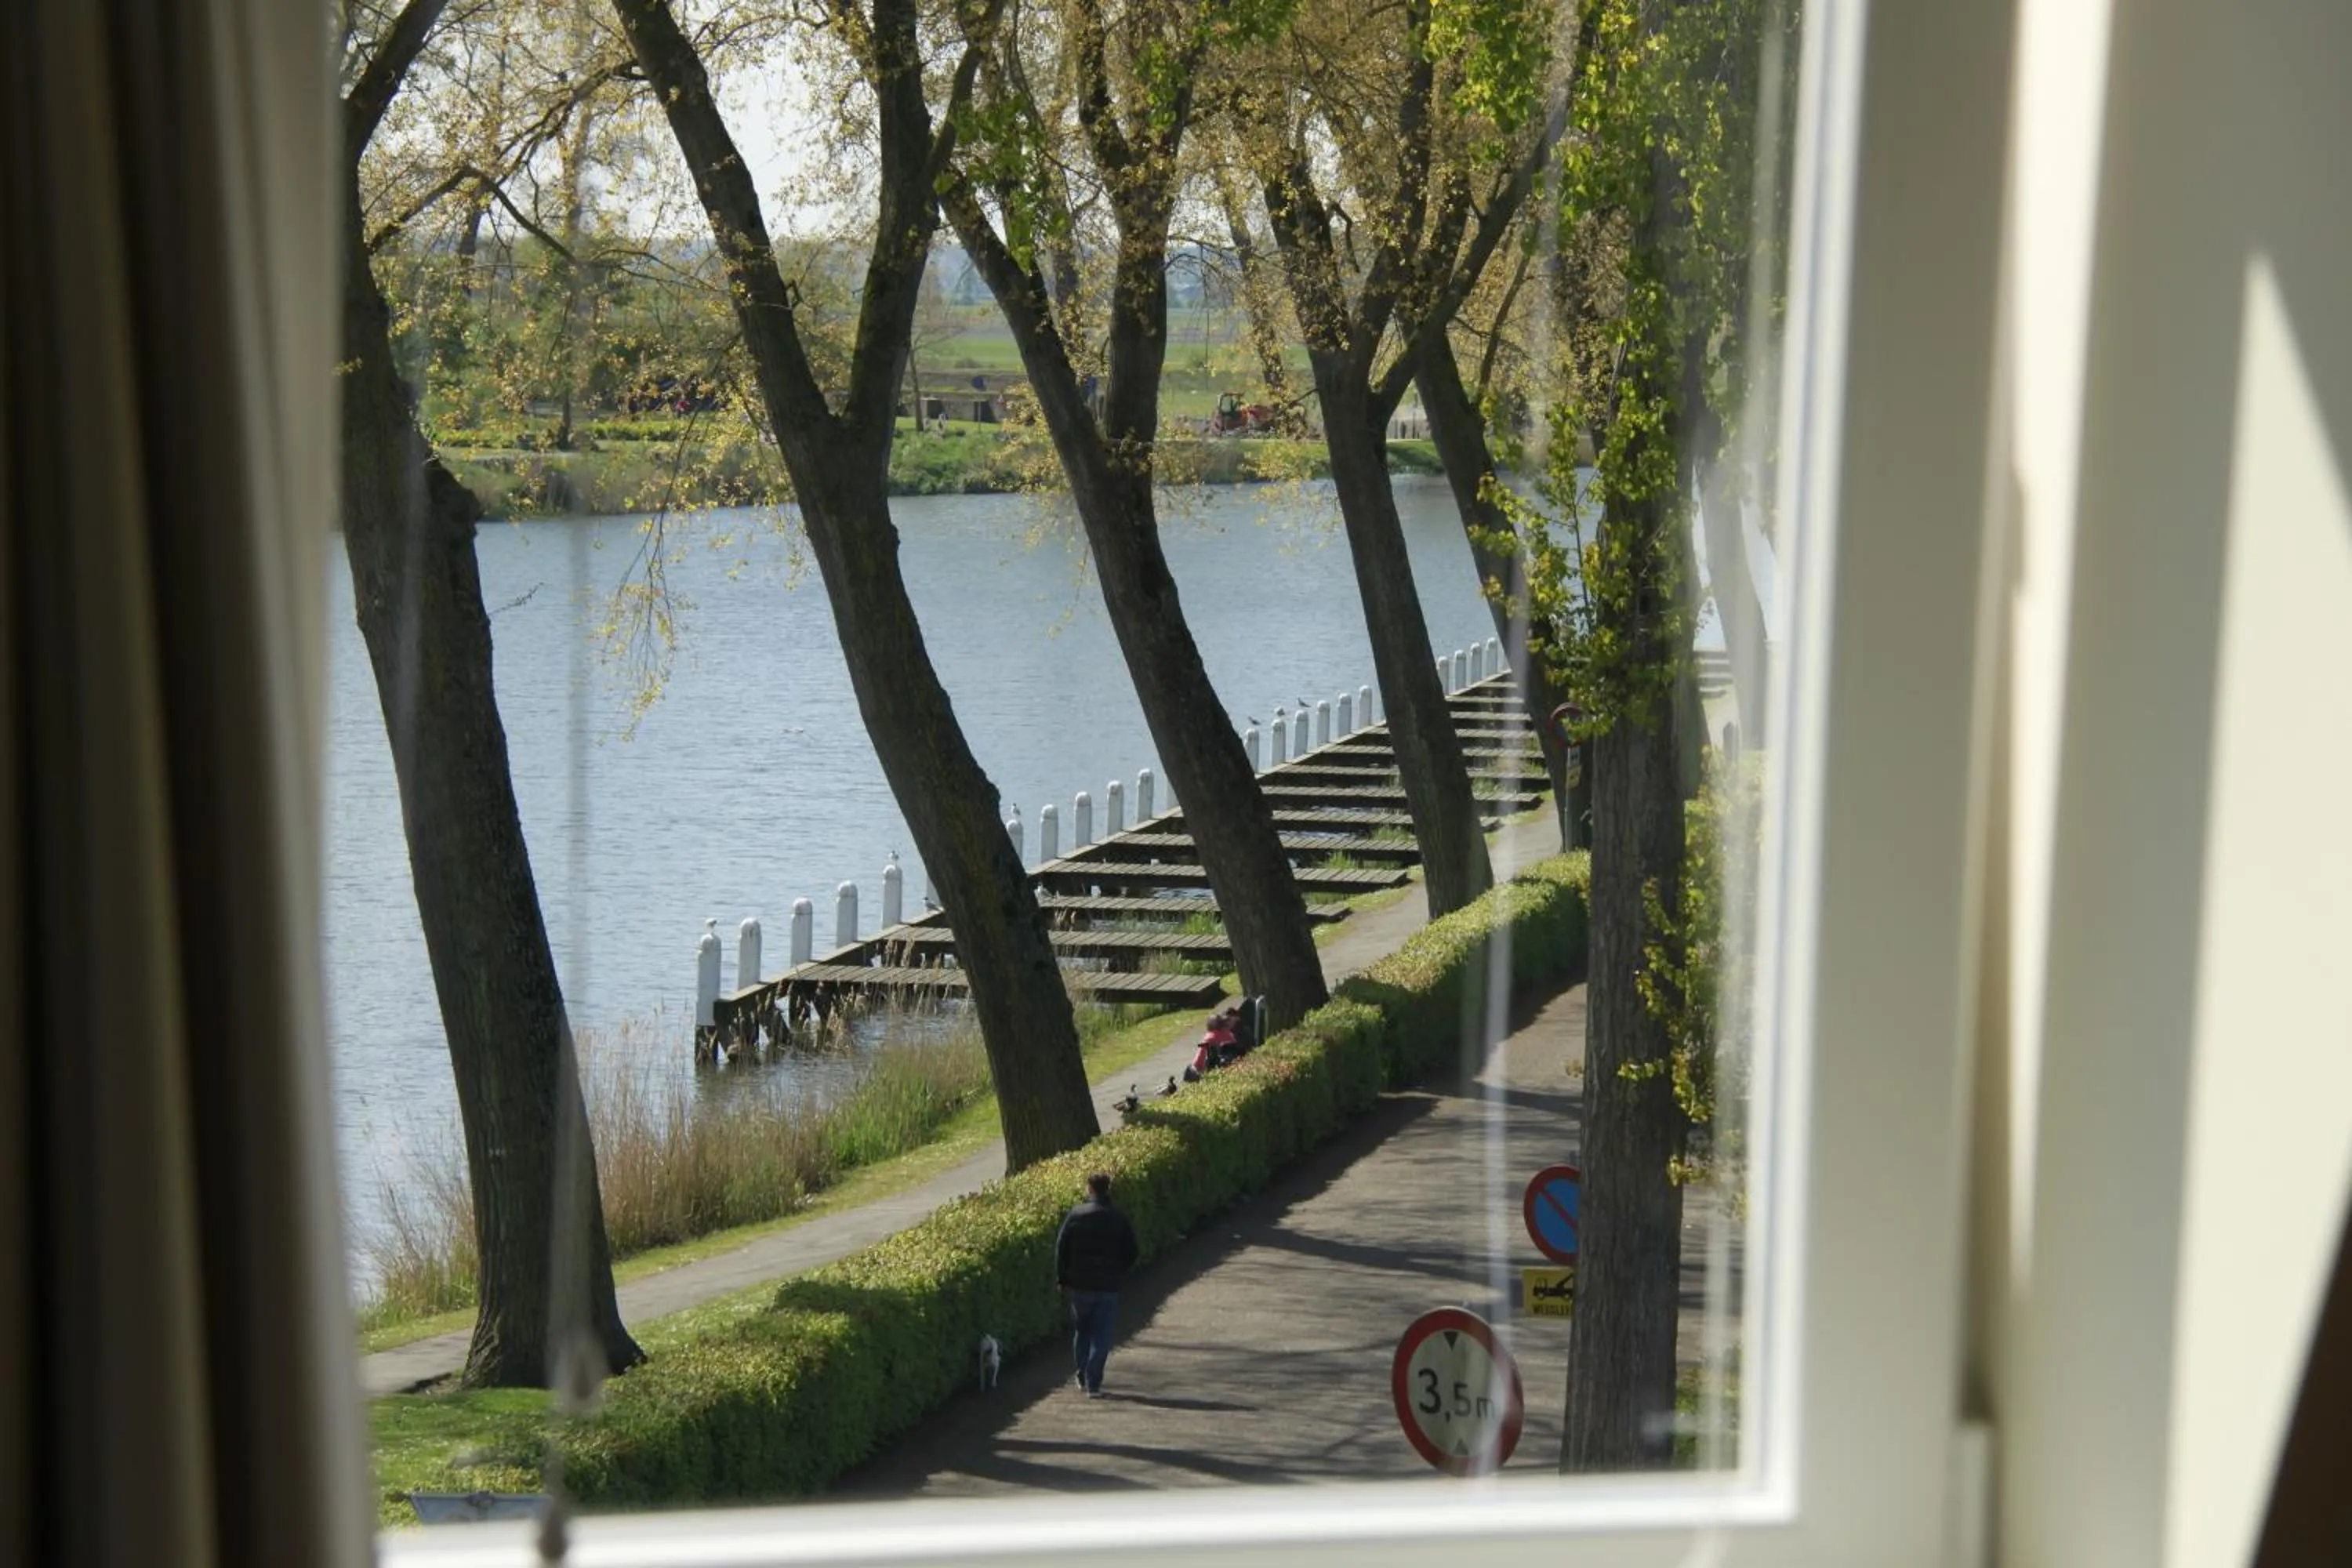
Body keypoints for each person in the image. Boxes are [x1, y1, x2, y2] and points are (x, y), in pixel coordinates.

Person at [1054, 1171, 1139, 1398]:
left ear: (1089, 1189)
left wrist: (1062, 1279)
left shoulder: (1076, 1215)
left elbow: (1061, 1249)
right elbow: (1132, 1250)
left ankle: (1082, 1373)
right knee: (1101, 1335)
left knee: (1082, 1331)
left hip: (1080, 1285)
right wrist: (1120, 1271)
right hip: (1108, 1285)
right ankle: (1094, 1381)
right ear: (1107, 1189)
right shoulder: (1118, 1217)